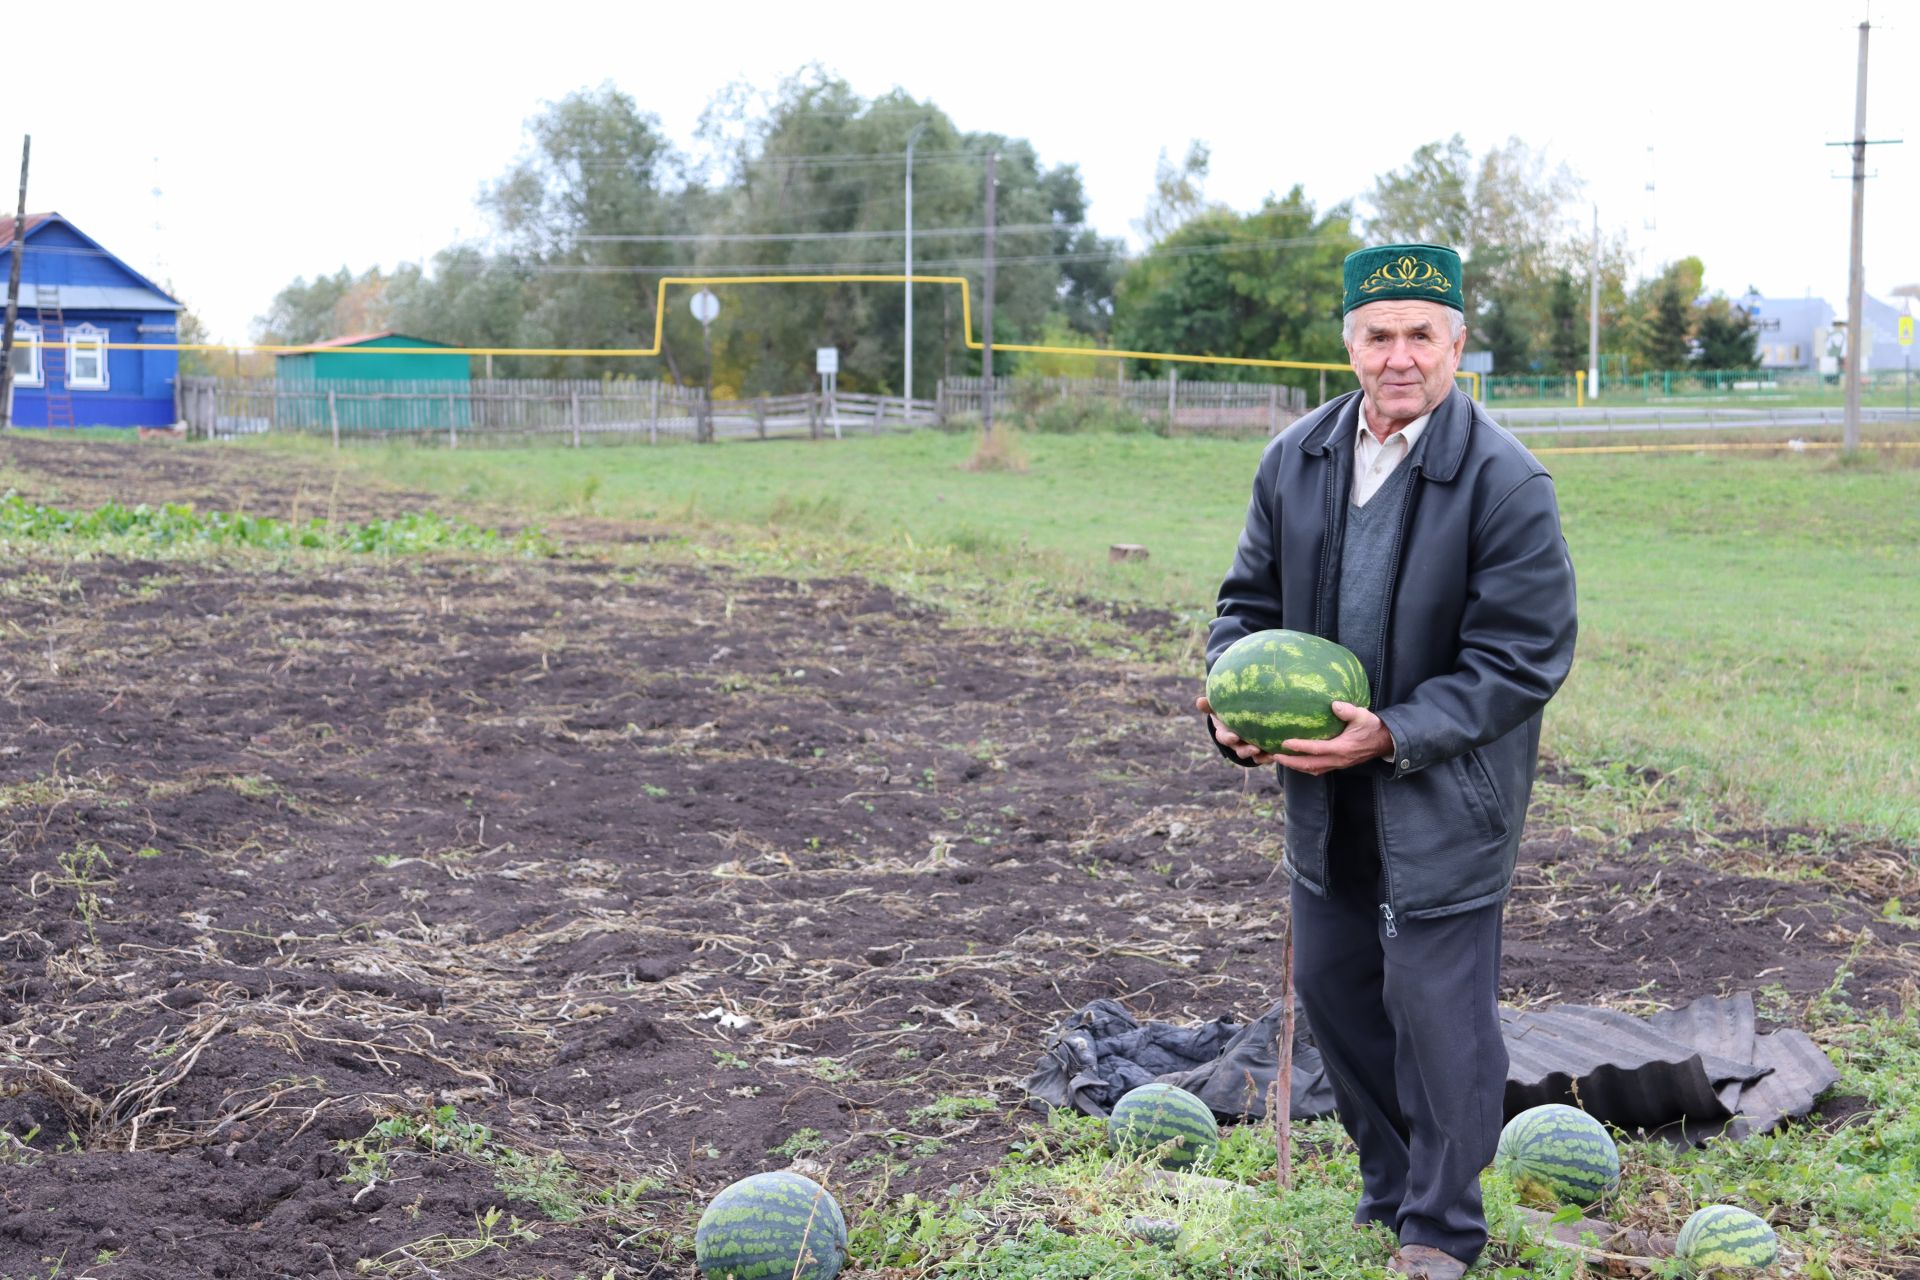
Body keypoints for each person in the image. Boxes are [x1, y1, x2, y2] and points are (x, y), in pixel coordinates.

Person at [1196, 243, 1577, 1280]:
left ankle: (1442, 1224)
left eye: (1421, 333)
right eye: (1379, 335)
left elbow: (1523, 658)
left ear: (1458, 342)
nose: (1399, 356)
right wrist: (1234, 709)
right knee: (1333, 986)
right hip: (1322, 790)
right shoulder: (1296, 460)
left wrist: (1395, 731)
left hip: (1446, 793)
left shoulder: (1505, 480)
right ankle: (1391, 1182)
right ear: (1349, 345)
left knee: (1437, 1012)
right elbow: (1245, 612)